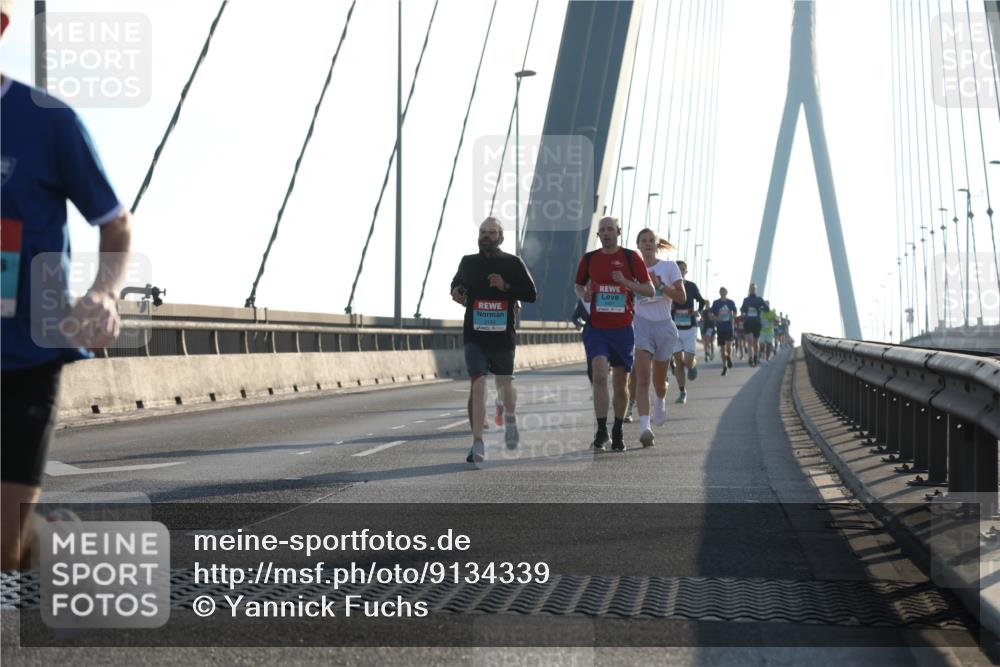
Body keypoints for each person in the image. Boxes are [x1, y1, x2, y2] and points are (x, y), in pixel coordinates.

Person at [2, 0, 133, 569]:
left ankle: (46, 541)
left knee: (2, 550)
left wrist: (104, 293)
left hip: (25, 356)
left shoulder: (47, 122)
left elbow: (115, 225)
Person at [451, 218, 537, 463]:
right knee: (478, 383)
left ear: (501, 237)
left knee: (504, 385)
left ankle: (510, 418)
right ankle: (477, 443)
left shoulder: (512, 263)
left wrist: (505, 286)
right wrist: (457, 293)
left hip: (502, 337)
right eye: (482, 232)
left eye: (491, 232)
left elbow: (531, 294)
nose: (486, 236)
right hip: (474, 335)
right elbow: (456, 286)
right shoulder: (468, 262)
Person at [574, 217, 654, 452]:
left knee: (620, 383)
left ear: (619, 232)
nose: (606, 233)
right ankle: (601, 430)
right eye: (602, 230)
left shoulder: (631, 257)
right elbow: (578, 285)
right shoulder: (589, 259)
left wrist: (626, 282)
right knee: (599, 376)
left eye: (610, 229)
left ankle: (617, 429)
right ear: (598, 235)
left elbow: (648, 290)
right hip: (596, 328)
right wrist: (584, 294)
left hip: (622, 330)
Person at [630, 229, 684, 447]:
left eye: (652, 240)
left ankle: (660, 400)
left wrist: (659, 285)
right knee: (642, 376)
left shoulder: (668, 267)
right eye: (644, 241)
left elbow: (681, 297)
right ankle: (645, 428)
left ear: (657, 244)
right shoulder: (632, 269)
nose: (648, 244)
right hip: (640, 326)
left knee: (659, 382)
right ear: (639, 245)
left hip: (664, 326)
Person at [669, 260, 706, 404]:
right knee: (678, 362)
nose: (680, 271)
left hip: (690, 328)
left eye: (683, 269)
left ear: (686, 271)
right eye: (678, 269)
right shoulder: (669, 287)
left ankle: (693, 365)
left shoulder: (691, 286)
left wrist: (699, 311)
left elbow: (702, 301)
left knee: (688, 362)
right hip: (674, 328)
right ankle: (682, 392)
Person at [710, 287, 738, 376]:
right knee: (722, 348)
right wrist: (716, 318)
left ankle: (729, 357)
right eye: (721, 291)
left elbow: (735, 311)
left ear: (726, 292)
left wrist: (733, 317)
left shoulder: (730, 302)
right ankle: (724, 366)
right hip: (720, 328)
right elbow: (711, 314)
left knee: (729, 347)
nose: (722, 293)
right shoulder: (716, 303)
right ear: (719, 292)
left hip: (729, 327)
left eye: (724, 291)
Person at [740, 282, 768, 368]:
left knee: (755, 343)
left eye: (754, 288)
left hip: (756, 323)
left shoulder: (759, 299)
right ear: (749, 289)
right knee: (750, 341)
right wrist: (743, 313)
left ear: (756, 289)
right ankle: (750, 358)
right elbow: (742, 309)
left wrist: (760, 308)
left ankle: (756, 356)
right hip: (748, 322)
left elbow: (767, 309)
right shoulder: (746, 300)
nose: (752, 289)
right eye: (751, 288)